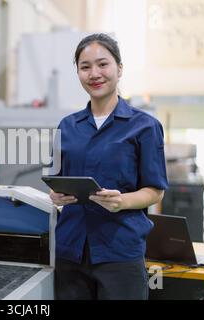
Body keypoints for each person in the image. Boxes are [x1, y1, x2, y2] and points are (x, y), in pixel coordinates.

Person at [49, 33, 168, 300]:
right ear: (78, 72)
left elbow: (155, 191)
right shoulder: (67, 126)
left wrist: (122, 201)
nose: (94, 73)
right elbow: (55, 181)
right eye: (85, 66)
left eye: (103, 64)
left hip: (120, 253)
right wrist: (56, 195)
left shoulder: (144, 126)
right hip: (70, 252)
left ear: (119, 68)